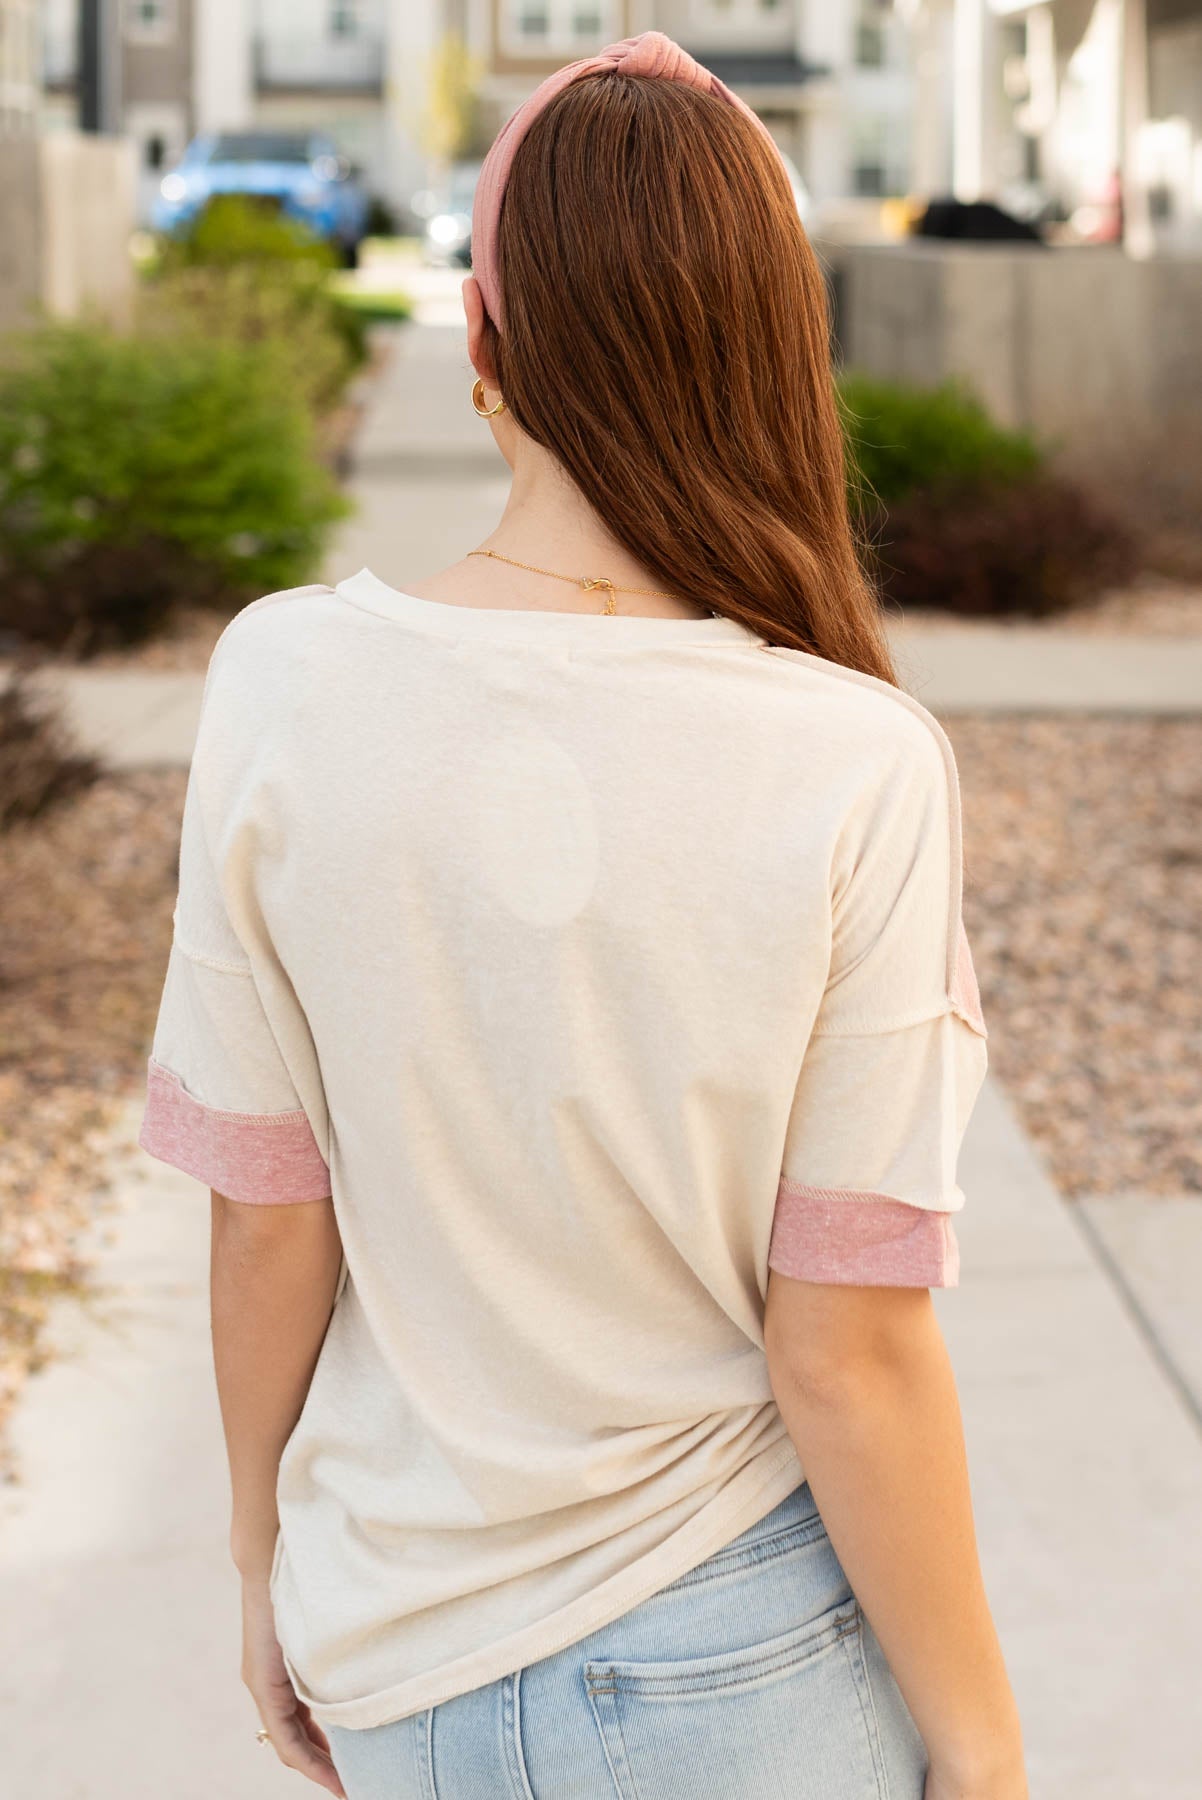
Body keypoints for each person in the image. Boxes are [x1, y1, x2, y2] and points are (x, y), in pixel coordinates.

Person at [137, 29, 1027, 1800]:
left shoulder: (284, 680)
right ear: (778, 352)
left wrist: (263, 1569)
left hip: (395, 1647)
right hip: (737, 1659)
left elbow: (267, 1224)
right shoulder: (854, 758)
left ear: (483, 347)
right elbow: (842, 1350)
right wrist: (988, 1755)